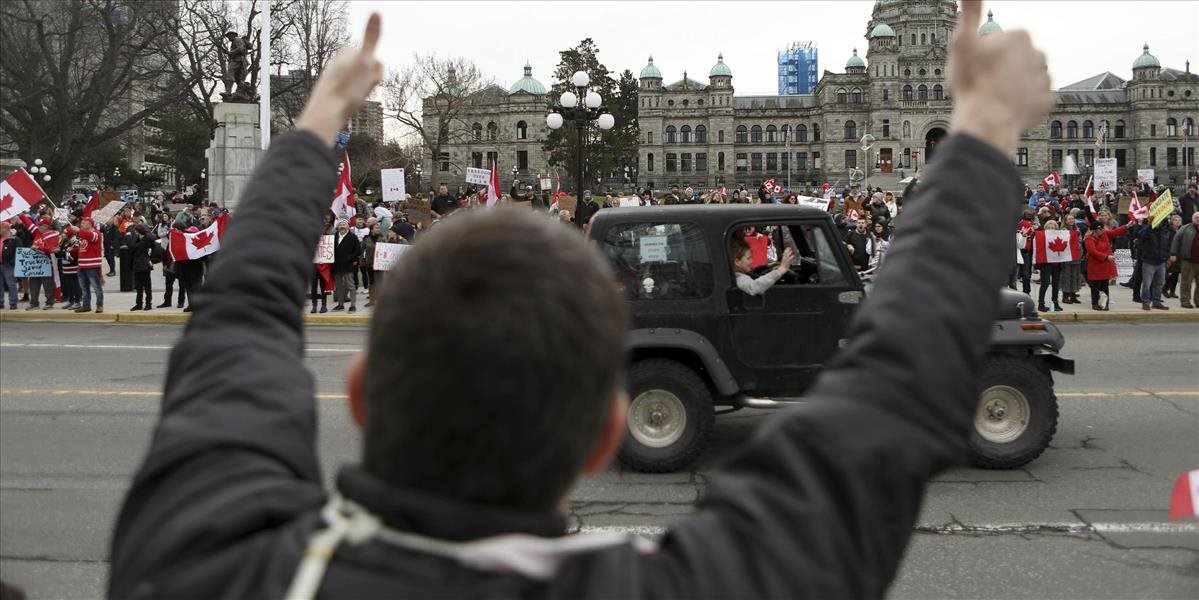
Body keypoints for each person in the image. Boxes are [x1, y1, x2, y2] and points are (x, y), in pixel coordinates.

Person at [109, 5, 1057, 598]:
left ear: (359, 395)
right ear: (605, 432)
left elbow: (235, 319)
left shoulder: (199, 556)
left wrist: (315, 128)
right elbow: (891, 399)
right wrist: (981, 133)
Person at [1084, 219, 1129, 311]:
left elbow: (1115, 232)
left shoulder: (1105, 234)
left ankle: (1105, 303)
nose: (1102, 231)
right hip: (1095, 265)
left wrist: (1127, 226)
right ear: (1095, 230)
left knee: (1105, 286)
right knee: (1095, 286)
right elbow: (1092, 251)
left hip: (1104, 265)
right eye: (1100, 229)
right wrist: (1106, 257)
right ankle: (1095, 303)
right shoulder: (1089, 239)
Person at [1136, 215, 1172, 310]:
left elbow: (1167, 245)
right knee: (1147, 284)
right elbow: (1140, 235)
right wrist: (1149, 225)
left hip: (1161, 261)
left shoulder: (1165, 231)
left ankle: (1156, 301)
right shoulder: (1148, 230)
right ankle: (1146, 302)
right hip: (1149, 261)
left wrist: (1167, 257)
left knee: (1159, 283)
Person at [1169, 210, 1199, 308]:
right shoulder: (1185, 228)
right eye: (1196, 218)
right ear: (1192, 219)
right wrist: (1173, 253)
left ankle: (1198, 301)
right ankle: (1185, 301)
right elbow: (1176, 240)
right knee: (1186, 282)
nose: (1198, 219)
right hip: (1188, 260)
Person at [331, 218, 360, 312]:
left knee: (351, 285)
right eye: (340, 225)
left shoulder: (353, 237)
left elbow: (358, 250)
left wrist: (350, 258)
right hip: (336, 265)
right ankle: (340, 304)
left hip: (348, 265)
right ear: (337, 227)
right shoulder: (334, 237)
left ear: (348, 226)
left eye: (344, 224)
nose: (342, 226)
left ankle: (353, 305)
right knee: (338, 286)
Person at [0, 221, 20, 309]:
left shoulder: (15, 239)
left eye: (1, 228)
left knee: (11, 284)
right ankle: (0, 302)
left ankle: (13, 302)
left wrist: (13, 261)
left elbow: (19, 251)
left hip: (9, 265)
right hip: (1, 264)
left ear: (6, 229)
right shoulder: (0, 238)